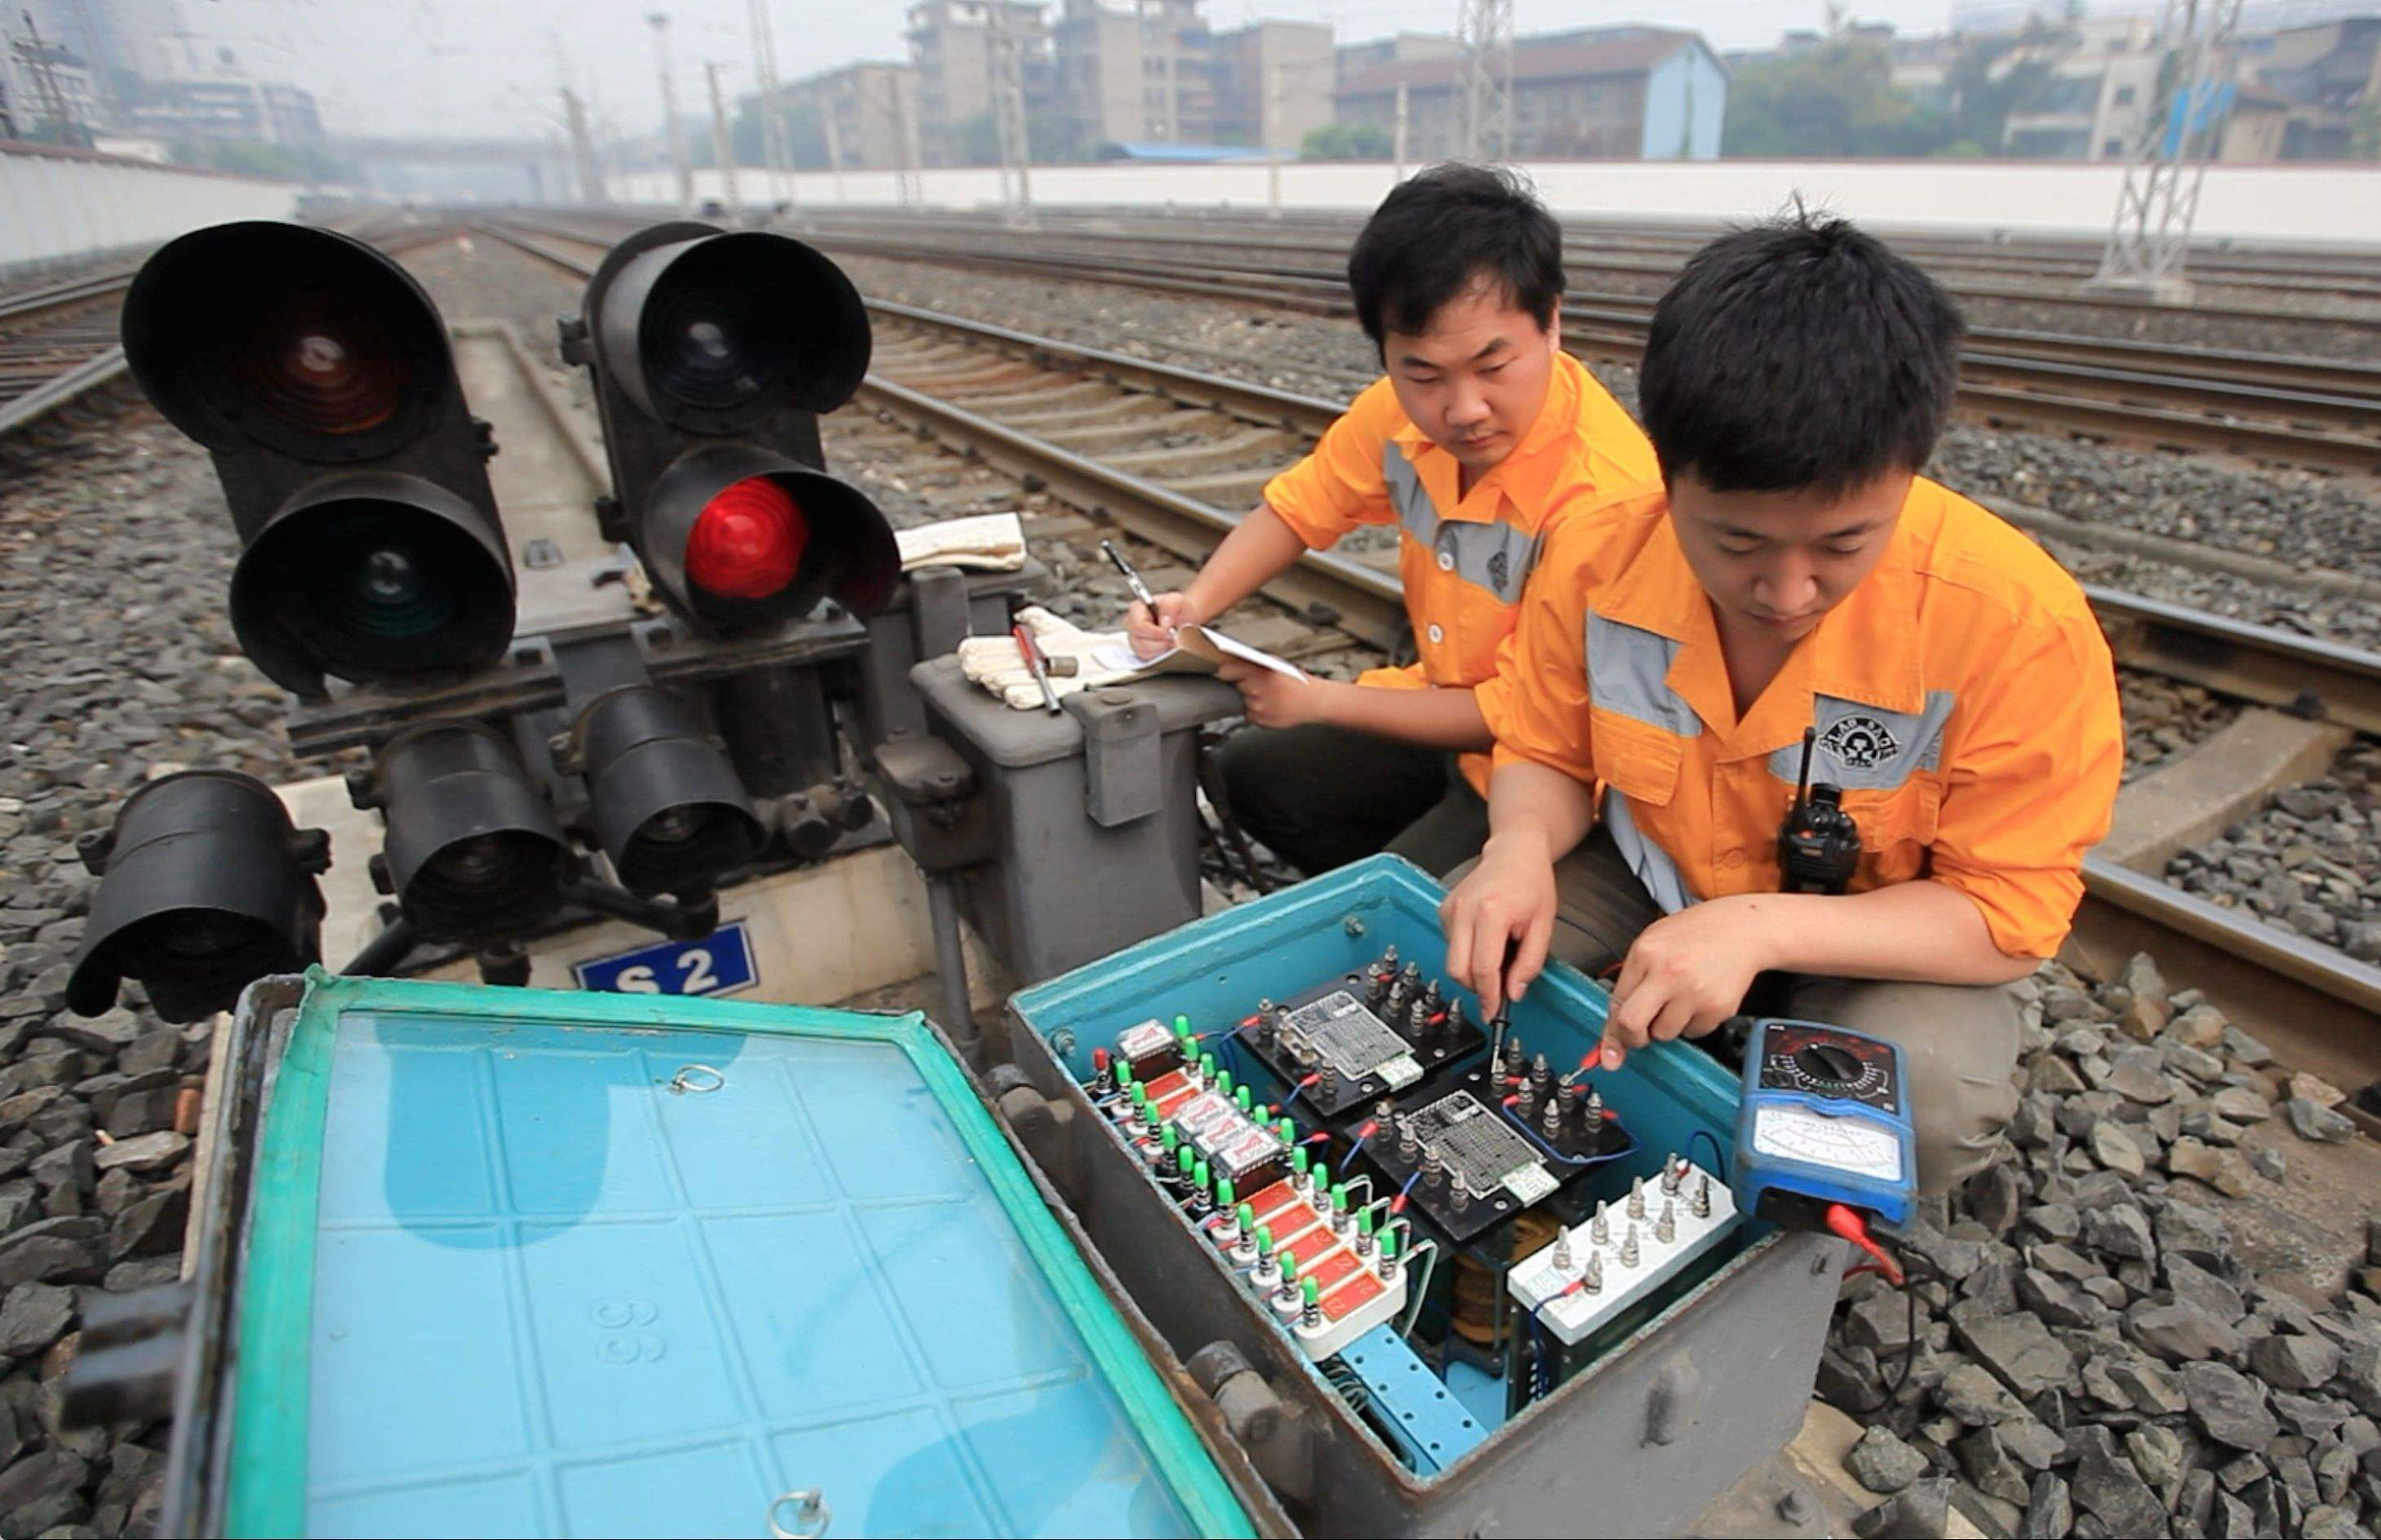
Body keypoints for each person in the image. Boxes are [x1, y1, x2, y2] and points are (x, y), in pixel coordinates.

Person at [1439, 211, 2122, 1194]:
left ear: (1907, 476)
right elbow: (1545, 750)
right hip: (1650, 867)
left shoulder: (2017, 622)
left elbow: (2004, 908)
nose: (1787, 591)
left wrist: (1758, 930)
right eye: (1736, 542)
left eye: (1842, 544)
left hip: (1873, 931)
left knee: (1922, 1112)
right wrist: (1515, 849)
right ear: (1665, 475)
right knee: (1464, 966)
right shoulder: (1595, 555)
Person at [1125, 164, 1658, 878]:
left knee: (1386, 911)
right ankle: (1388, 871)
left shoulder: (1607, 494)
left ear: (1552, 322)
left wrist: (1320, 700)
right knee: (1254, 774)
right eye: (1424, 375)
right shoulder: (1396, 413)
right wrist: (1193, 606)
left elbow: (1521, 713)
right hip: (1442, 717)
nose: (1464, 409)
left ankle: (1414, 892)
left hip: (1547, 778)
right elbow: (1299, 508)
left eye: (1493, 367)